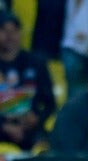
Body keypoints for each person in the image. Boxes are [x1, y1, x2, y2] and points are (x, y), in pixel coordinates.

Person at [0, 12, 55, 153]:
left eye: (14, 31)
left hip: (31, 130)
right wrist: (4, 126)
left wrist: (37, 118)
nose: (9, 36)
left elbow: (50, 103)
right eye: (4, 31)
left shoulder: (36, 63)